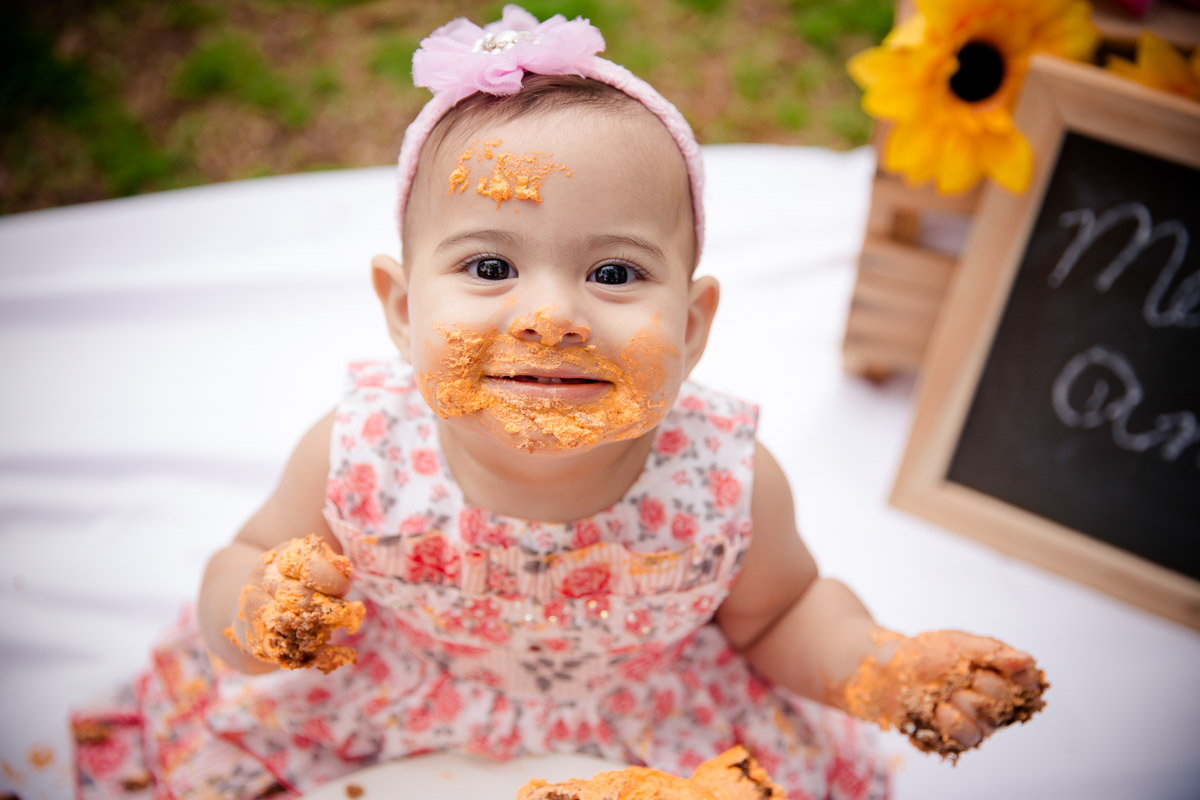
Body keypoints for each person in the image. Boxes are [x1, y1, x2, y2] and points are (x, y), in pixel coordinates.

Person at [73, 6, 1045, 798]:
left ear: (695, 322)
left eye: (616, 272)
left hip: (645, 734)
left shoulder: (727, 480)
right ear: (403, 310)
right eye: (490, 265)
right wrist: (260, 606)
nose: (551, 315)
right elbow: (238, 563)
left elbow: (783, 613)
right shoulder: (359, 452)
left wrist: (882, 665)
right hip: (376, 712)